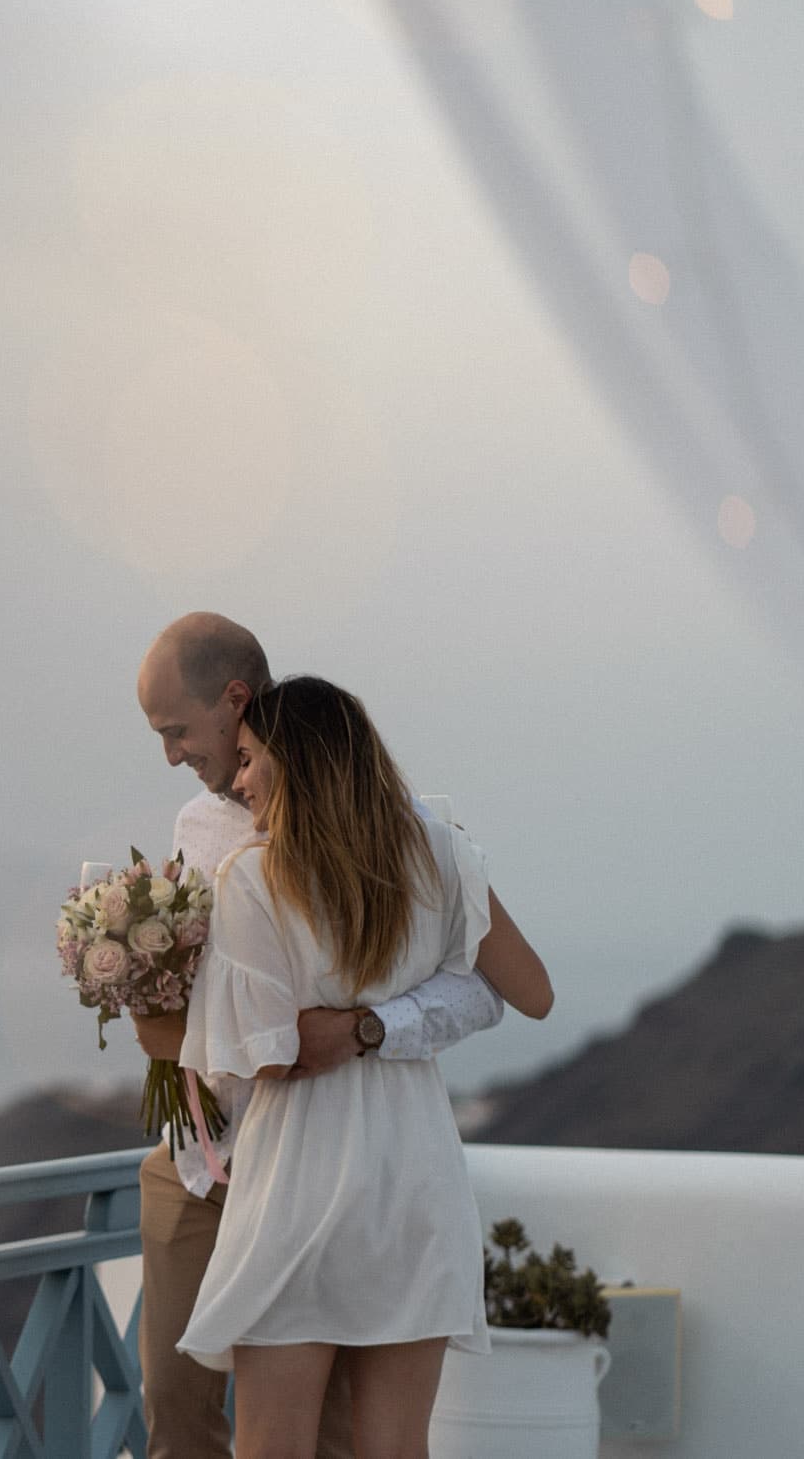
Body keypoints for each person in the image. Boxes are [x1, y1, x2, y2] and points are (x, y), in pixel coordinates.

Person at [131, 614, 511, 1459]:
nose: (170, 755)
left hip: (313, 1163)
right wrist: (139, 992)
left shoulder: (392, 829)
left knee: (329, 1437)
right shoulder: (198, 829)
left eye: (176, 731)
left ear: (236, 704)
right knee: (177, 1414)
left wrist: (371, 1026)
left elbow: (488, 981)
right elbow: (221, 1010)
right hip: (204, 1153)